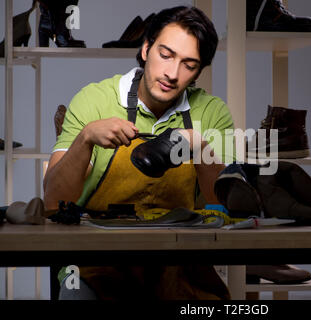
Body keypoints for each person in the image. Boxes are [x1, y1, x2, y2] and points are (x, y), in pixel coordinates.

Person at [43, 5, 233, 300]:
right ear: (145, 48)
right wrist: (85, 139)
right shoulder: (95, 99)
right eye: (165, 55)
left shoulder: (211, 112)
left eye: (189, 64)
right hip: (96, 260)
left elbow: (227, 206)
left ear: (199, 71)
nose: (172, 73)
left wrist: (200, 146)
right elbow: (53, 201)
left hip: (179, 261)